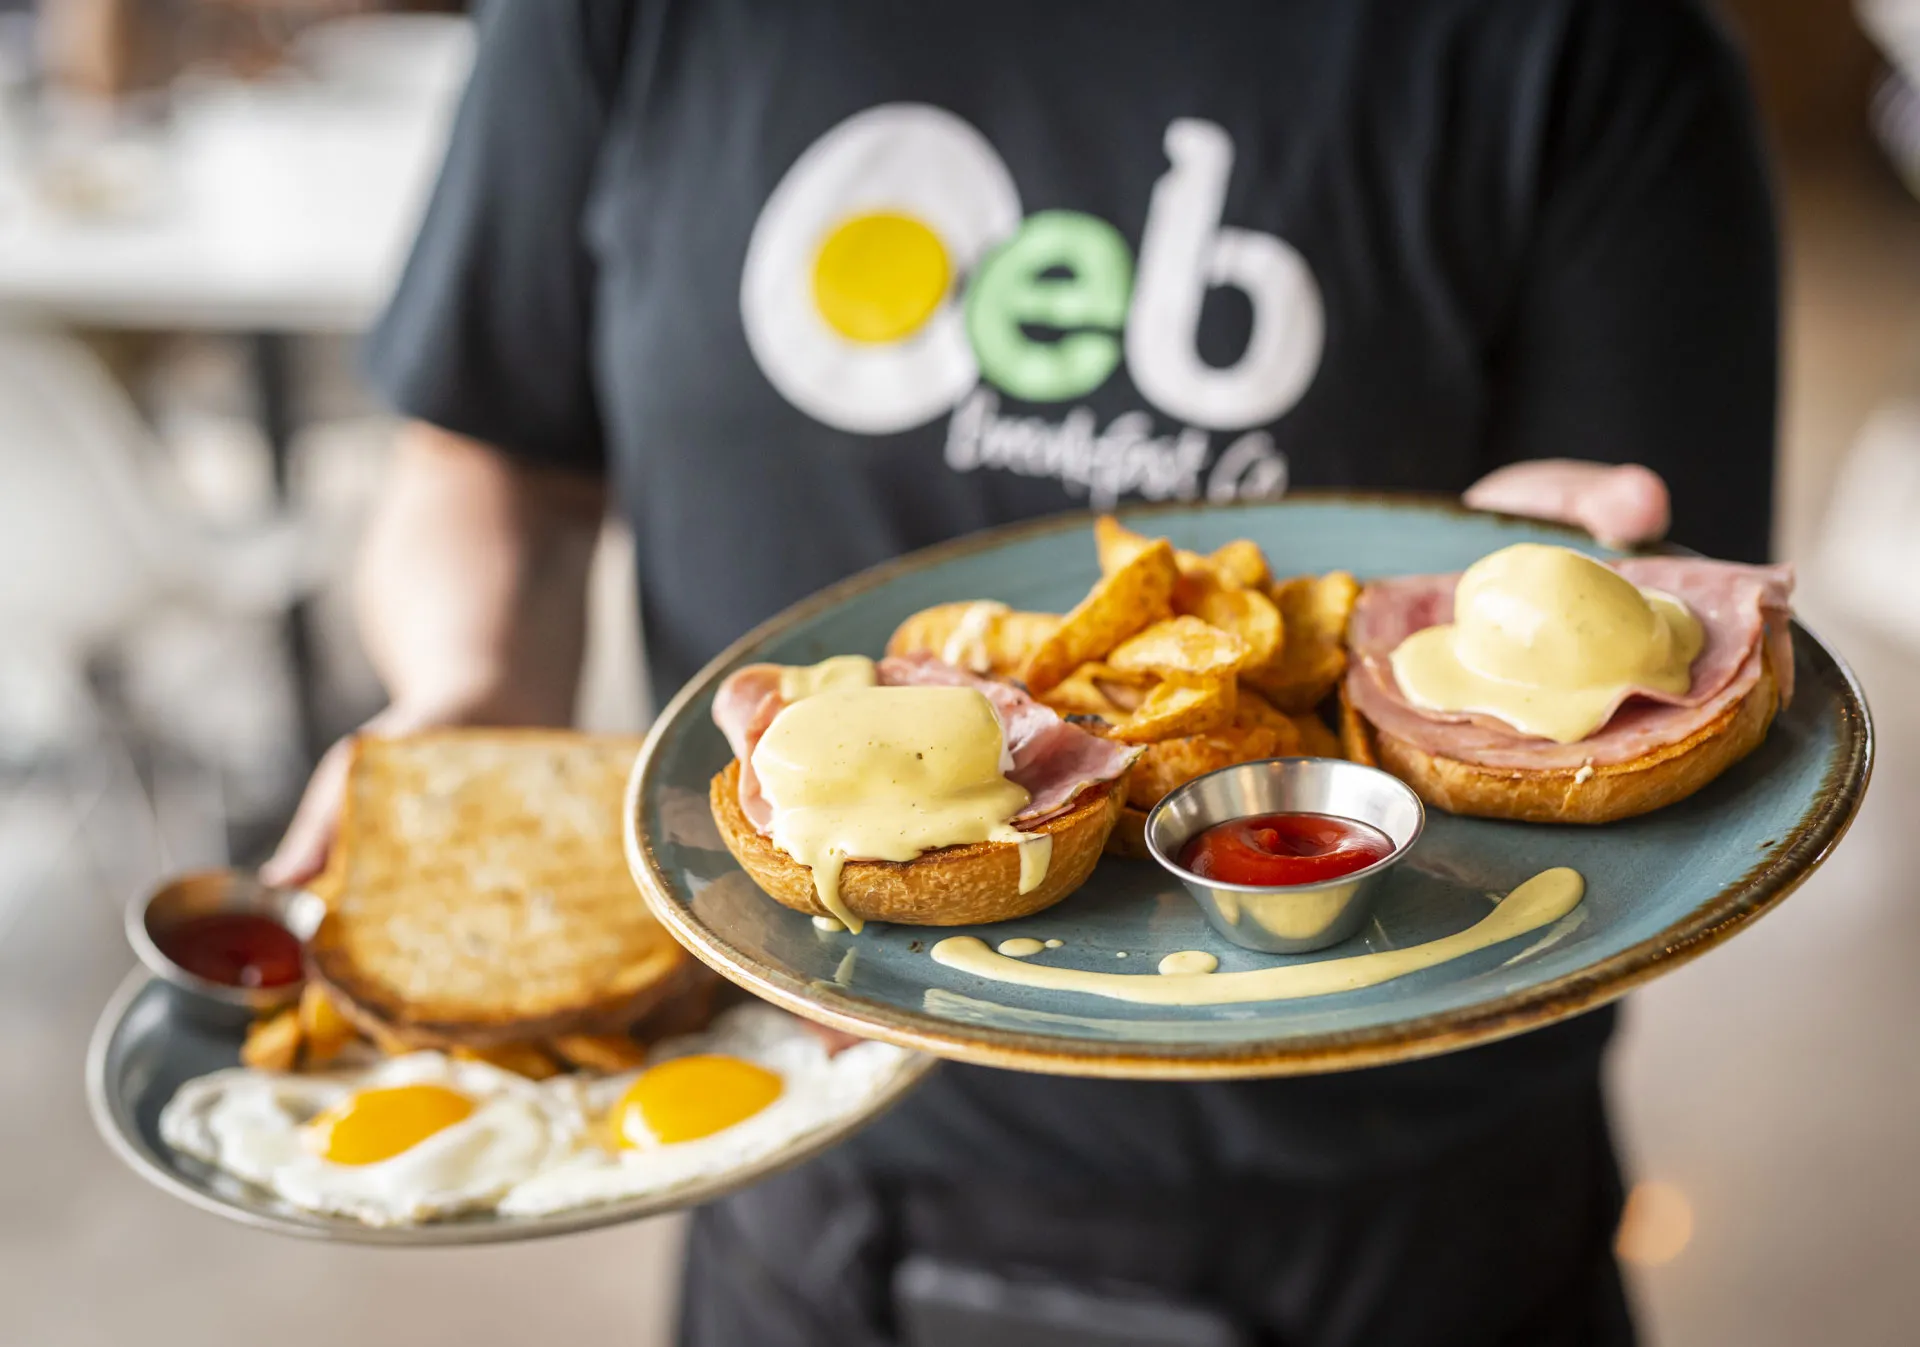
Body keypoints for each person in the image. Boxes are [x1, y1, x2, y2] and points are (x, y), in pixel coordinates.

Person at [263, 2, 1776, 1343]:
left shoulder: (1596, 40)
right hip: (807, 1147)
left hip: (1401, 1213)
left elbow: (1667, 669)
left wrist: (1504, 603)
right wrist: (462, 709)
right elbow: (490, 471)